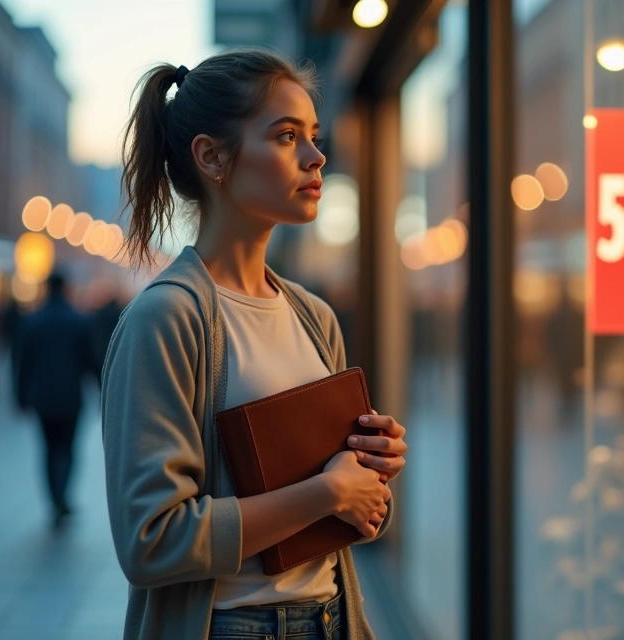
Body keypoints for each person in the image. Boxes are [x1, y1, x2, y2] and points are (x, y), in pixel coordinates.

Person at [102, 48, 406, 640]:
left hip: (333, 618)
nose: (316, 156)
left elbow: (353, 518)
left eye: (314, 136)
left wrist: (370, 475)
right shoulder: (166, 319)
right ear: (211, 157)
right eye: (287, 136)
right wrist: (326, 492)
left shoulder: (314, 316)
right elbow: (151, 541)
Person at [14, 271, 102, 526]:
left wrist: (20, 397)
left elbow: (21, 363)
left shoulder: (32, 322)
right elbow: (93, 361)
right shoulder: (78, 321)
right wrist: (102, 390)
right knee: (68, 447)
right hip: (71, 396)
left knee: (49, 448)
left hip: (42, 397)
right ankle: (62, 495)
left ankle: (54, 497)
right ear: (65, 289)